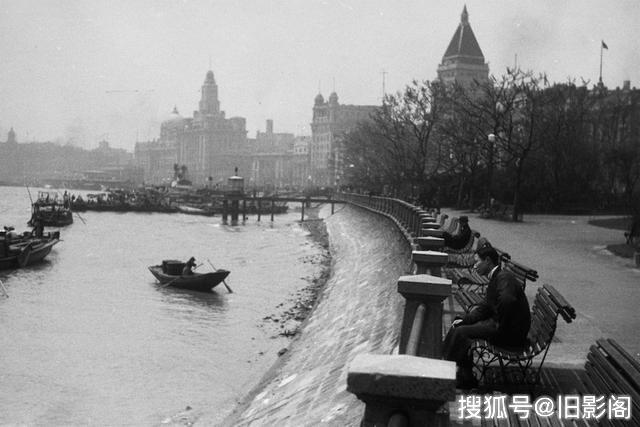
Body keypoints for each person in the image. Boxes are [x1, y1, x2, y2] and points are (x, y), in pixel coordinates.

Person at [442, 246, 531, 388]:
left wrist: (497, 324)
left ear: (488, 261)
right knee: (458, 324)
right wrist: (465, 319)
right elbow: (485, 308)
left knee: (461, 332)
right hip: (506, 328)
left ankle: (449, 372)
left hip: (510, 335)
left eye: (477, 262)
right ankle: (461, 373)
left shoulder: (503, 278)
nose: (474, 265)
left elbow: (507, 300)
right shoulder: (498, 277)